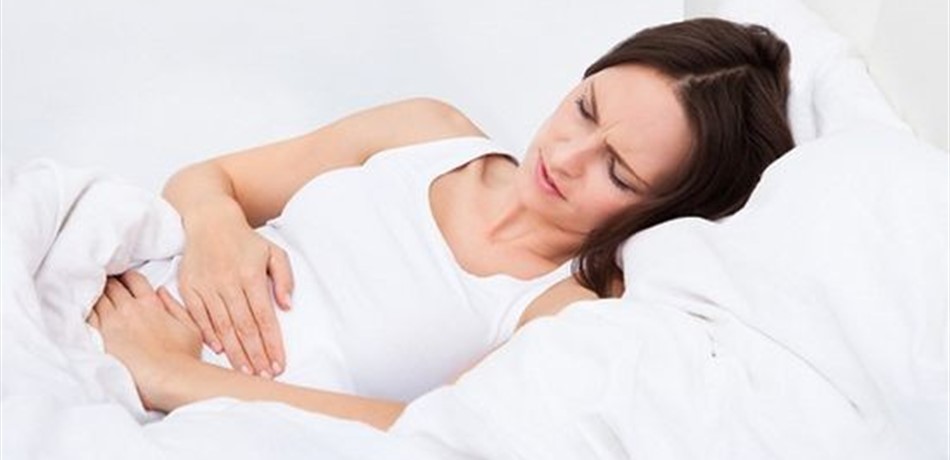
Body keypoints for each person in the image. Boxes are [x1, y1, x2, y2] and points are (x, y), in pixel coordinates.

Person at [86, 17, 795, 430]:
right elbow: (212, 179)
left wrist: (171, 376)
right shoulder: (427, 132)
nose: (564, 156)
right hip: (103, 308)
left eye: (619, 171)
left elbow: (422, 435)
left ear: (663, 211)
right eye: (585, 108)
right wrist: (218, 231)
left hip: (174, 410)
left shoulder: (559, 309)